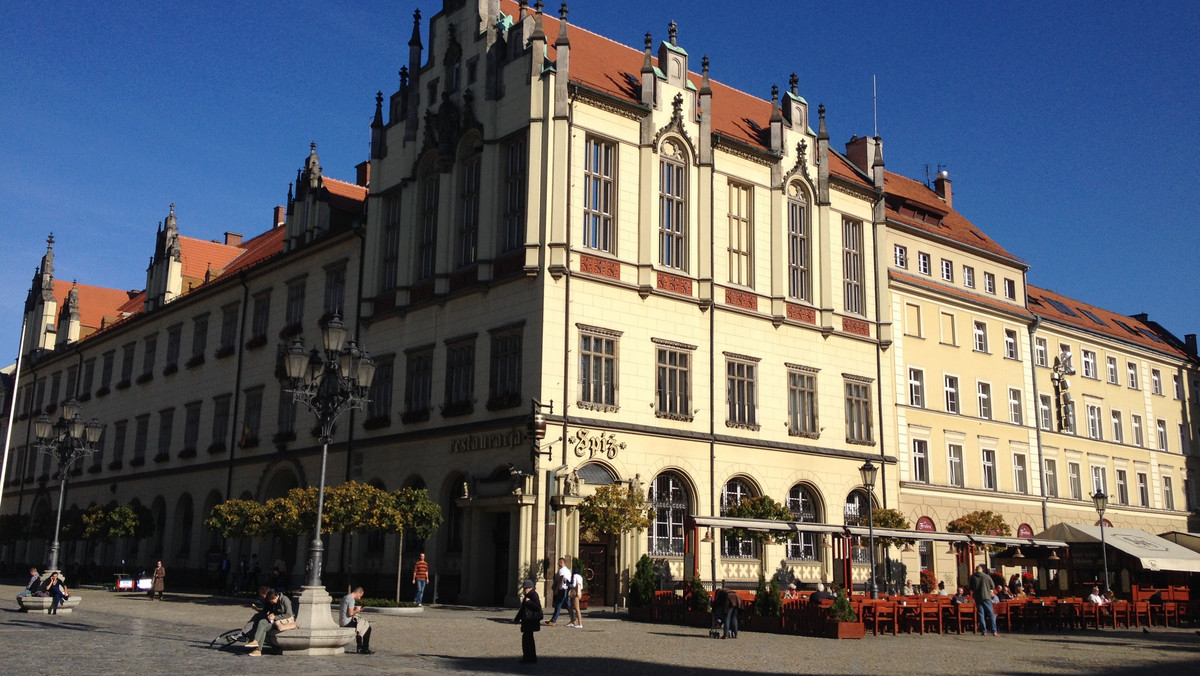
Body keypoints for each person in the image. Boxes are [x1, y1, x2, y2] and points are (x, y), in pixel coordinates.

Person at [246, 589, 294, 656]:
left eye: (272, 601)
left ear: (276, 597)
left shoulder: (285, 600)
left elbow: (289, 614)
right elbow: (266, 611)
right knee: (262, 622)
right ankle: (255, 641)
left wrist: (275, 617)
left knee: (264, 628)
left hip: (282, 622)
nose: (272, 603)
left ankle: (258, 649)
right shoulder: (272, 602)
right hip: (274, 620)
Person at [340, 586, 373, 655]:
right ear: (358, 593)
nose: (360, 598)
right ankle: (364, 648)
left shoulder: (345, 597)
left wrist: (356, 610)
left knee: (361, 624)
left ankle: (360, 647)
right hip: (347, 622)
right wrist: (357, 610)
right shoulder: (351, 599)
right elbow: (350, 613)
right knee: (367, 627)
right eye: (360, 596)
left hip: (342, 621)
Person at [969, 564, 998, 636]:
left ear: (976, 570)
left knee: (981, 614)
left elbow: (970, 587)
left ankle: (984, 631)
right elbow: (993, 586)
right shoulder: (987, 576)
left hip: (978, 597)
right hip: (986, 596)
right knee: (991, 614)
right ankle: (994, 631)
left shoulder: (973, 577)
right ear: (982, 570)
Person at [517, 579, 542, 664]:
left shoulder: (534, 595)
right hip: (526, 621)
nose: (524, 590)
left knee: (528, 640)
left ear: (530, 588)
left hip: (531, 621)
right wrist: (517, 618)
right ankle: (527, 657)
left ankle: (530, 657)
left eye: (526, 588)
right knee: (526, 639)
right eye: (524, 588)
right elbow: (522, 609)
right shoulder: (527, 596)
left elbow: (538, 607)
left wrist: (529, 602)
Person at [546, 557, 571, 626]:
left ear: (564, 563)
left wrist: (557, 589)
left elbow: (560, 579)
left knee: (558, 605)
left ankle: (553, 620)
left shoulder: (562, 570)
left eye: (561, 563)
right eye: (559, 563)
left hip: (562, 589)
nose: (559, 564)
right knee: (568, 605)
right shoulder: (568, 570)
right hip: (567, 588)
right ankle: (573, 619)